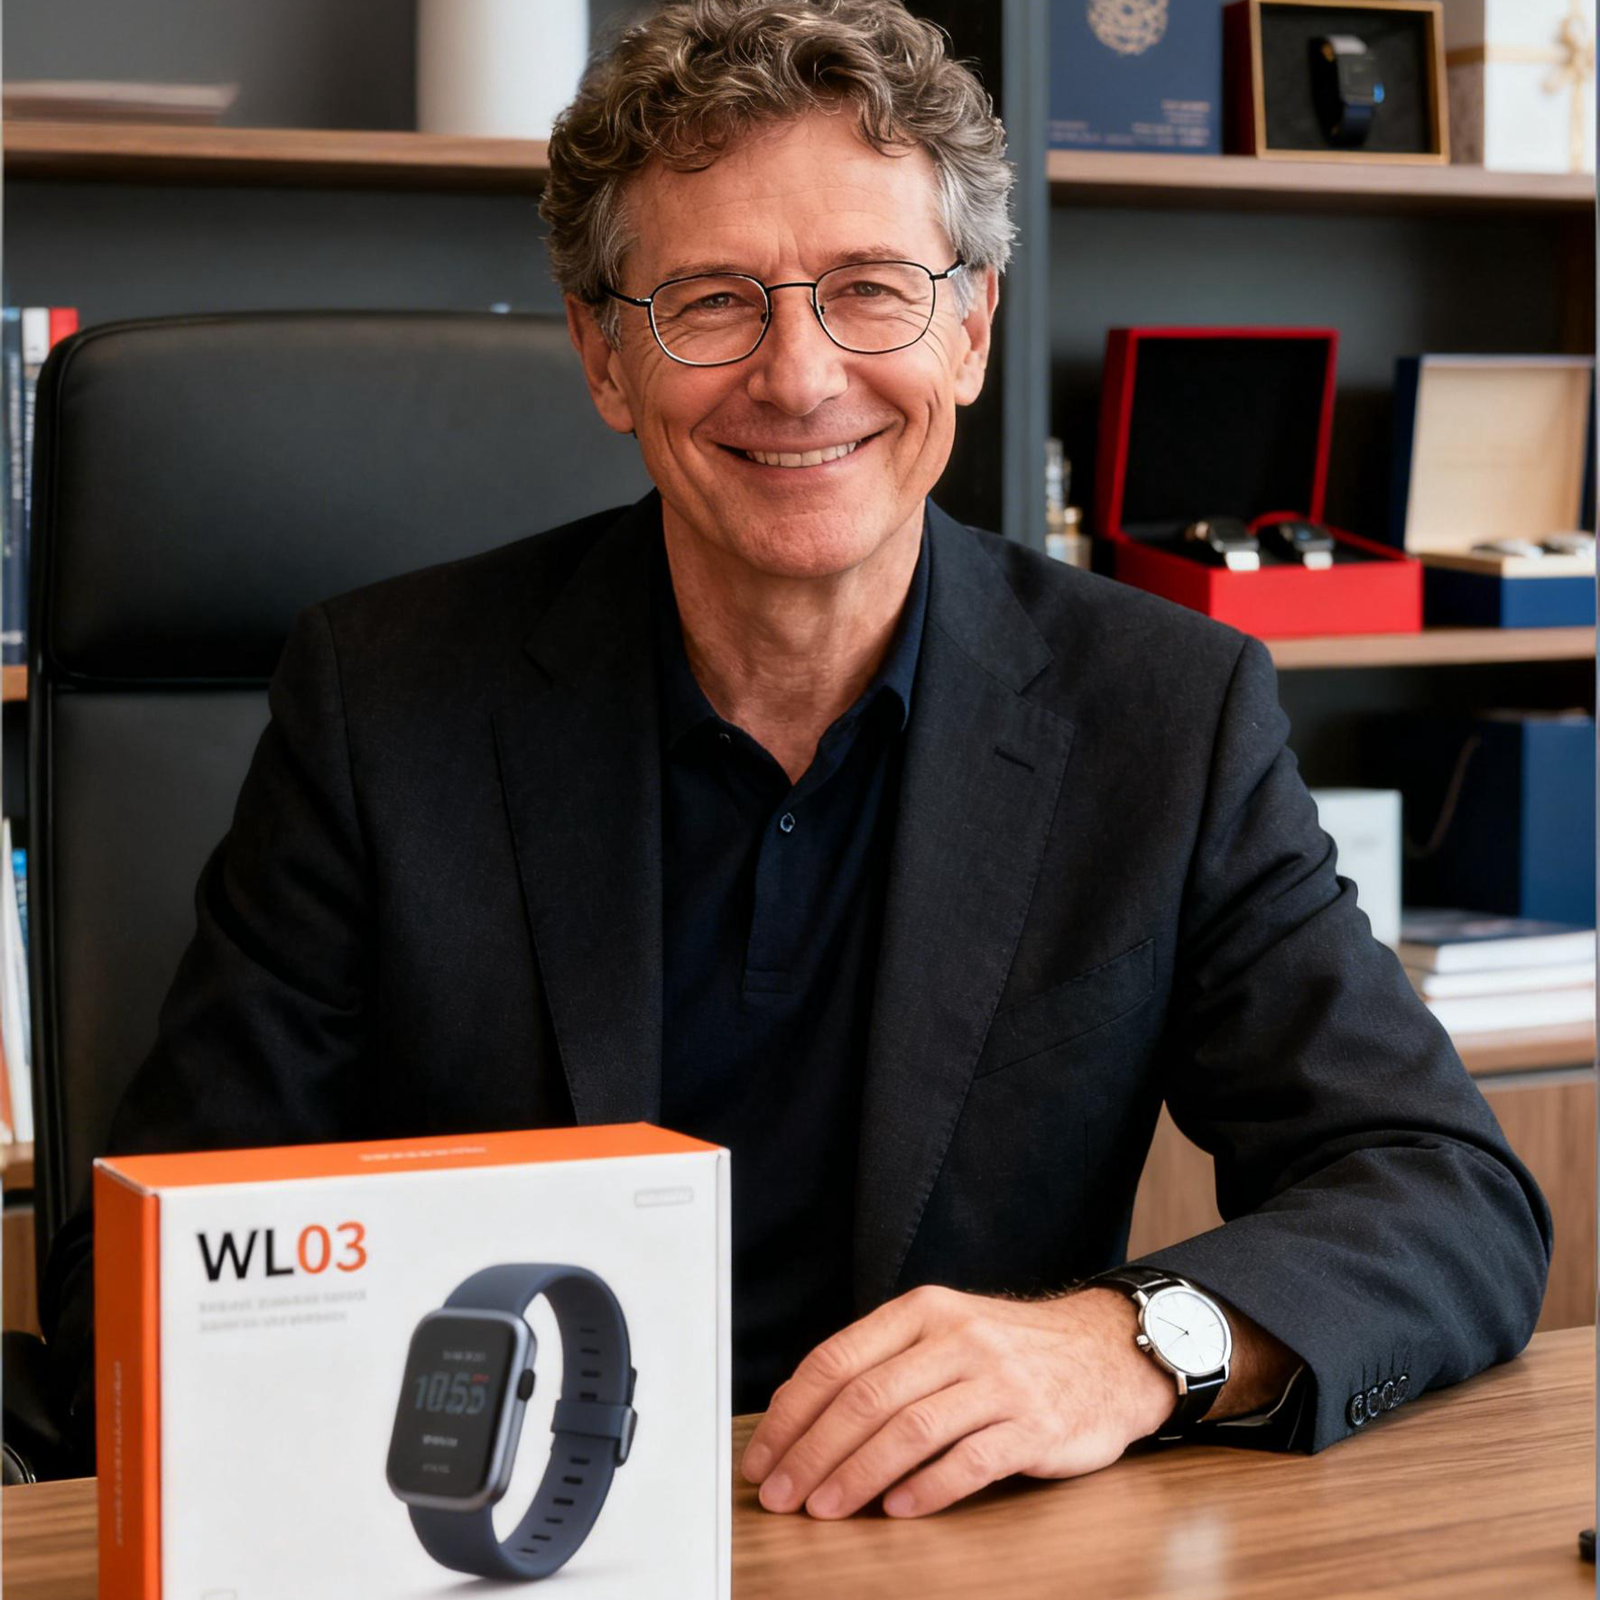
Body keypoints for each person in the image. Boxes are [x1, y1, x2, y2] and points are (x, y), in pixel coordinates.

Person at [43, 0, 1549, 1522]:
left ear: (971, 329)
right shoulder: (385, 703)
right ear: (604, 356)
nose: (801, 375)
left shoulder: (1161, 711)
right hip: (489, 1522)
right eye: (712, 302)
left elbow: (1444, 1192)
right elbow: (155, 1256)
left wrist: (1128, 1344)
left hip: (941, 1545)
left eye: (871, 291)